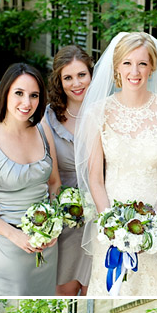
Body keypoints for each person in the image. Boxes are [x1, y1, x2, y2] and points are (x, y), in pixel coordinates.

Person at [75, 31, 157, 296]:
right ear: (116, 67)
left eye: (142, 63)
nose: (134, 71)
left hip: (155, 230)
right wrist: (112, 229)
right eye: (127, 63)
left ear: (152, 67)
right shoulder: (97, 112)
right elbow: (95, 178)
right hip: (110, 229)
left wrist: (150, 227)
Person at [0, 63, 61, 296]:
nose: (26, 103)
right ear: (5, 93)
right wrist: (14, 235)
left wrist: (54, 228)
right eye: (19, 93)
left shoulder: (43, 131)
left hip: (47, 246)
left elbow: (55, 183)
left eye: (34, 95)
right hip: (9, 247)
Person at [45, 45, 93, 296]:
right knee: (64, 292)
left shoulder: (108, 112)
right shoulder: (48, 118)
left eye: (81, 75)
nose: (76, 83)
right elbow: (49, 177)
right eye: (68, 77)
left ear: (92, 74)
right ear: (59, 81)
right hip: (65, 218)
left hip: (101, 217)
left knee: (94, 291)